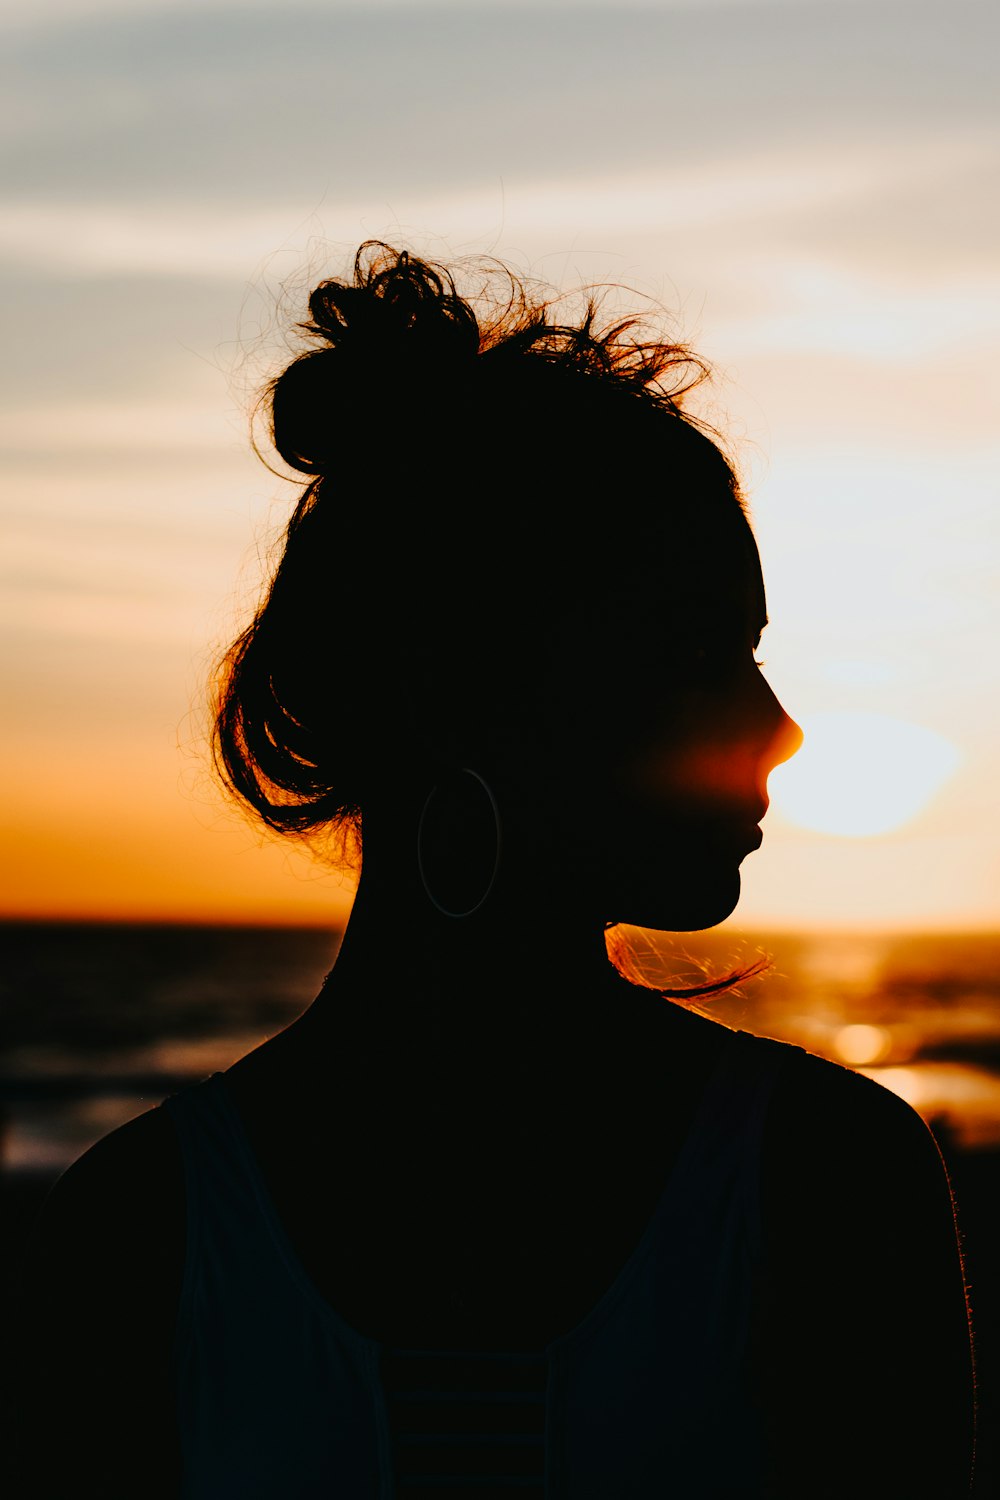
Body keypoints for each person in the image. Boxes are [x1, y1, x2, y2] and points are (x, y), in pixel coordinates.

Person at [6, 244, 974, 1497]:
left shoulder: (828, 1187)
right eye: (694, 651)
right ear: (470, 691)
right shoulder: (142, 1235)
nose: (778, 723)